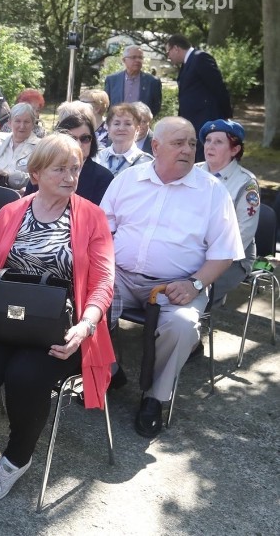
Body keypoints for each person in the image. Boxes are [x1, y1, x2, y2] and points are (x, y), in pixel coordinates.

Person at [0, 133, 115, 502]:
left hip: (59, 328)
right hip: (3, 320)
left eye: (75, 168)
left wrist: (85, 326)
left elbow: (104, 281)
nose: (70, 176)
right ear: (37, 172)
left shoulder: (92, 216)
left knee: (25, 377)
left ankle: (15, 460)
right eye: (60, 169)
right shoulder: (12, 212)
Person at [100, 116, 243, 438]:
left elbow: (224, 252)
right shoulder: (127, 180)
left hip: (176, 285)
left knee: (181, 326)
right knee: (85, 301)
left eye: (192, 143)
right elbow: (102, 230)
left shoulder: (211, 191)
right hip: (120, 274)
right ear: (156, 146)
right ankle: (110, 371)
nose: (188, 149)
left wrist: (194, 284)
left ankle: (154, 398)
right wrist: (103, 270)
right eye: (179, 143)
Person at [196, 119, 259, 304]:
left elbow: (242, 234)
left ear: (235, 149)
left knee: (188, 293)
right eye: (208, 140)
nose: (210, 146)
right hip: (191, 248)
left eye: (218, 142)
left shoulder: (246, 183)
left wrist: (204, 257)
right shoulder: (193, 172)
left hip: (230, 258)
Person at [166, 34, 233, 162]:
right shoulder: (187, 63)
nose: (168, 56)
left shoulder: (200, 58)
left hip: (205, 120)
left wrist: (226, 115)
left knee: (204, 159)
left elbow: (218, 87)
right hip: (193, 121)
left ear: (176, 48)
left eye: (168, 51)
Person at [27, 111, 113, 205]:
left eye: (85, 138)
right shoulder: (44, 168)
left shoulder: (103, 177)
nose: (78, 144)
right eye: (72, 138)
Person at [93, 103, 153, 176]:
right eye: (116, 124)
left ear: (137, 129)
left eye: (128, 124)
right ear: (108, 128)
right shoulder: (97, 158)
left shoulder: (145, 162)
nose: (121, 128)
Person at [104, 45, 162, 116]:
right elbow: (106, 104)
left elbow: (156, 107)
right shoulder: (112, 80)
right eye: (133, 57)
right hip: (118, 123)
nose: (138, 60)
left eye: (140, 57)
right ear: (124, 60)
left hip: (141, 124)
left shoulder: (153, 82)